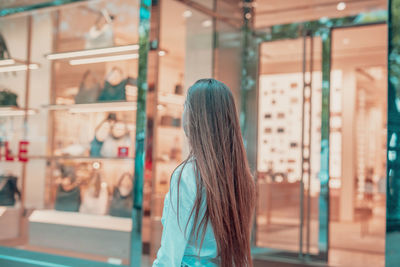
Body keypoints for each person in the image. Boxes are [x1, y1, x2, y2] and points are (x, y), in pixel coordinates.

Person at [152, 79, 256, 267]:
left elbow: (169, 257)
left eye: (185, 106)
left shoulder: (187, 176)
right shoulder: (242, 178)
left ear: (194, 117)